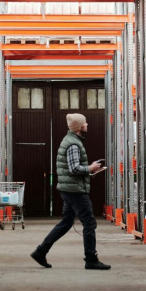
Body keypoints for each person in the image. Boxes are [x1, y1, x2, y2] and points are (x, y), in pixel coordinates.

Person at [31, 113, 110, 270]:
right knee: (89, 222)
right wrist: (89, 168)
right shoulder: (73, 144)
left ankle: (41, 251)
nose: (87, 124)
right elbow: (74, 168)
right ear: (80, 127)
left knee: (66, 222)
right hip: (75, 191)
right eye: (85, 123)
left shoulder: (72, 141)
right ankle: (91, 259)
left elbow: (72, 168)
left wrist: (91, 170)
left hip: (70, 188)